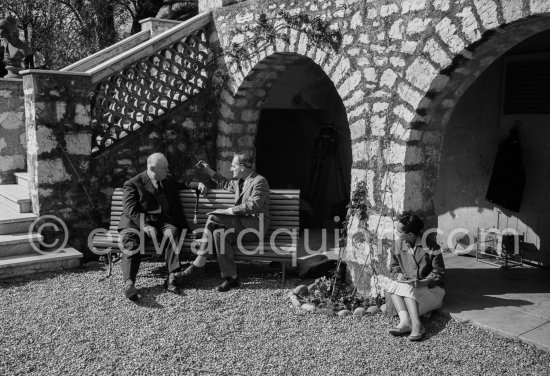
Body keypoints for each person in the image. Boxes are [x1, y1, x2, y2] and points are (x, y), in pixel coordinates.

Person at [118, 152, 206, 301]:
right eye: (164, 168)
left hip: (160, 222)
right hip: (137, 222)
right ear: (153, 169)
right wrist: (144, 225)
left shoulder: (167, 179)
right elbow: (130, 210)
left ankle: (172, 277)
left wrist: (198, 184)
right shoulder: (133, 183)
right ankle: (129, 284)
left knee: (172, 232)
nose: (168, 171)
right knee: (131, 243)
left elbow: (182, 184)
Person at [182, 153, 270, 292]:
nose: (231, 169)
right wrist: (208, 170)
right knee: (219, 233)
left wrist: (227, 211)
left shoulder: (259, 181)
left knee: (213, 217)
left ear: (242, 167)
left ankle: (200, 261)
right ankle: (231, 278)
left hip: (254, 228)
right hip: (240, 227)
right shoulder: (239, 182)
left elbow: (254, 205)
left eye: (233, 166)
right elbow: (224, 182)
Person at [386, 212, 445, 341]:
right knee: (394, 284)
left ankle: (417, 325)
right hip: (411, 289)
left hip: (432, 290)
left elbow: (438, 274)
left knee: (406, 289)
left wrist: (422, 282)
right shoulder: (397, 246)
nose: (396, 233)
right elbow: (393, 268)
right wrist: (399, 275)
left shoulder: (432, 247)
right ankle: (405, 322)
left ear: (410, 235)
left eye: (398, 231)